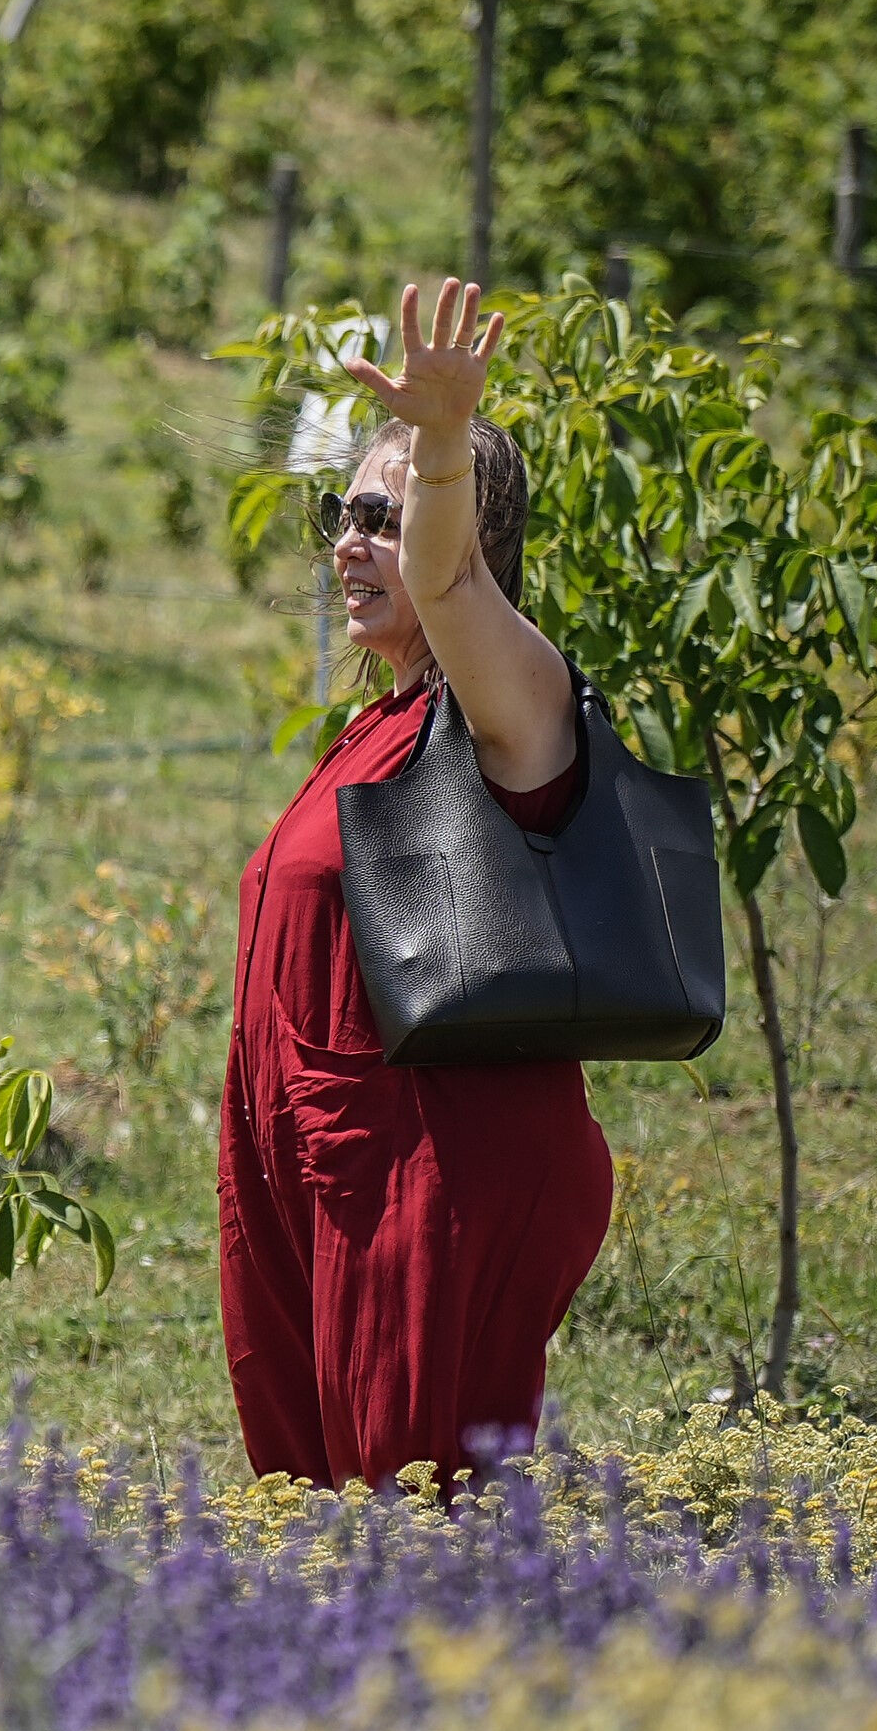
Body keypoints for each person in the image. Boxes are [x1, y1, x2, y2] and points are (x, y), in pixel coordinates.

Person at [218, 274, 609, 1487]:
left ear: (472, 542)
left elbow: (448, 588)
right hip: (317, 1165)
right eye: (344, 511)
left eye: (382, 519)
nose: (350, 540)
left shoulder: (513, 704)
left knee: (411, 1524)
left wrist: (441, 445)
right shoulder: (369, 727)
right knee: (309, 1510)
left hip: (433, 1175)